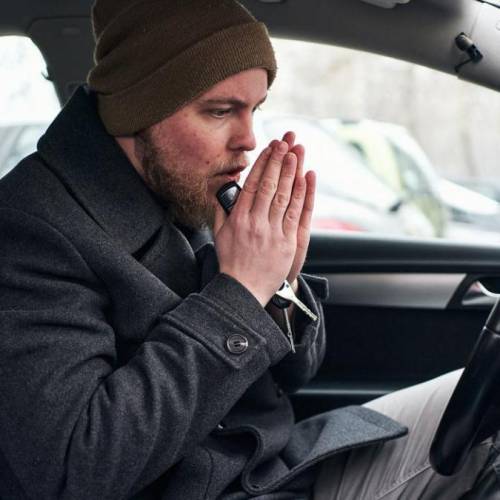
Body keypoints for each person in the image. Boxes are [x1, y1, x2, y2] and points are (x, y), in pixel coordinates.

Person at [0, 1, 498, 499]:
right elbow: (75, 469)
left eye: (254, 109)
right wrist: (240, 290)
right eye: (220, 111)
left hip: (281, 469)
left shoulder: (186, 186)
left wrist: (279, 282)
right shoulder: (30, 229)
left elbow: (295, 375)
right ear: (138, 110)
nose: (248, 139)